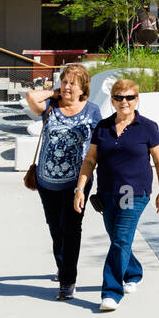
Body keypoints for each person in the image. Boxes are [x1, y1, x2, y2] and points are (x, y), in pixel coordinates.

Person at [74, 78, 159, 312]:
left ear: (137, 99)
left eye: (129, 97)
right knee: (117, 237)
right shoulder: (103, 127)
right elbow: (90, 160)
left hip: (134, 193)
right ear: (112, 100)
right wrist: (80, 189)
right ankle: (134, 272)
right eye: (119, 97)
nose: (124, 102)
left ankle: (111, 293)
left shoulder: (148, 127)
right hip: (107, 193)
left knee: (121, 239)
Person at [25, 64, 101, 301]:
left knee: (70, 229)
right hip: (47, 181)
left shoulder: (92, 111)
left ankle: (68, 281)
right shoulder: (51, 106)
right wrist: (54, 93)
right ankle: (62, 266)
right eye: (65, 82)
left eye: (73, 84)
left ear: (83, 89)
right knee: (54, 227)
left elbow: (98, 147)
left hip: (76, 182)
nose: (68, 87)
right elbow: (30, 96)